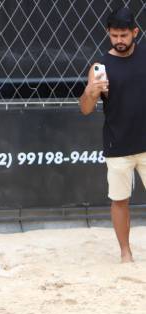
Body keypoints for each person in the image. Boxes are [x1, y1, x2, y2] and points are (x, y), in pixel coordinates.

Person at [79, 7, 146, 263]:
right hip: (117, 144)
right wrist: (91, 91)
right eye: (114, 35)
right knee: (120, 201)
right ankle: (125, 253)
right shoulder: (100, 67)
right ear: (108, 33)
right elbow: (85, 109)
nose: (119, 40)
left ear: (135, 32)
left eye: (124, 35)